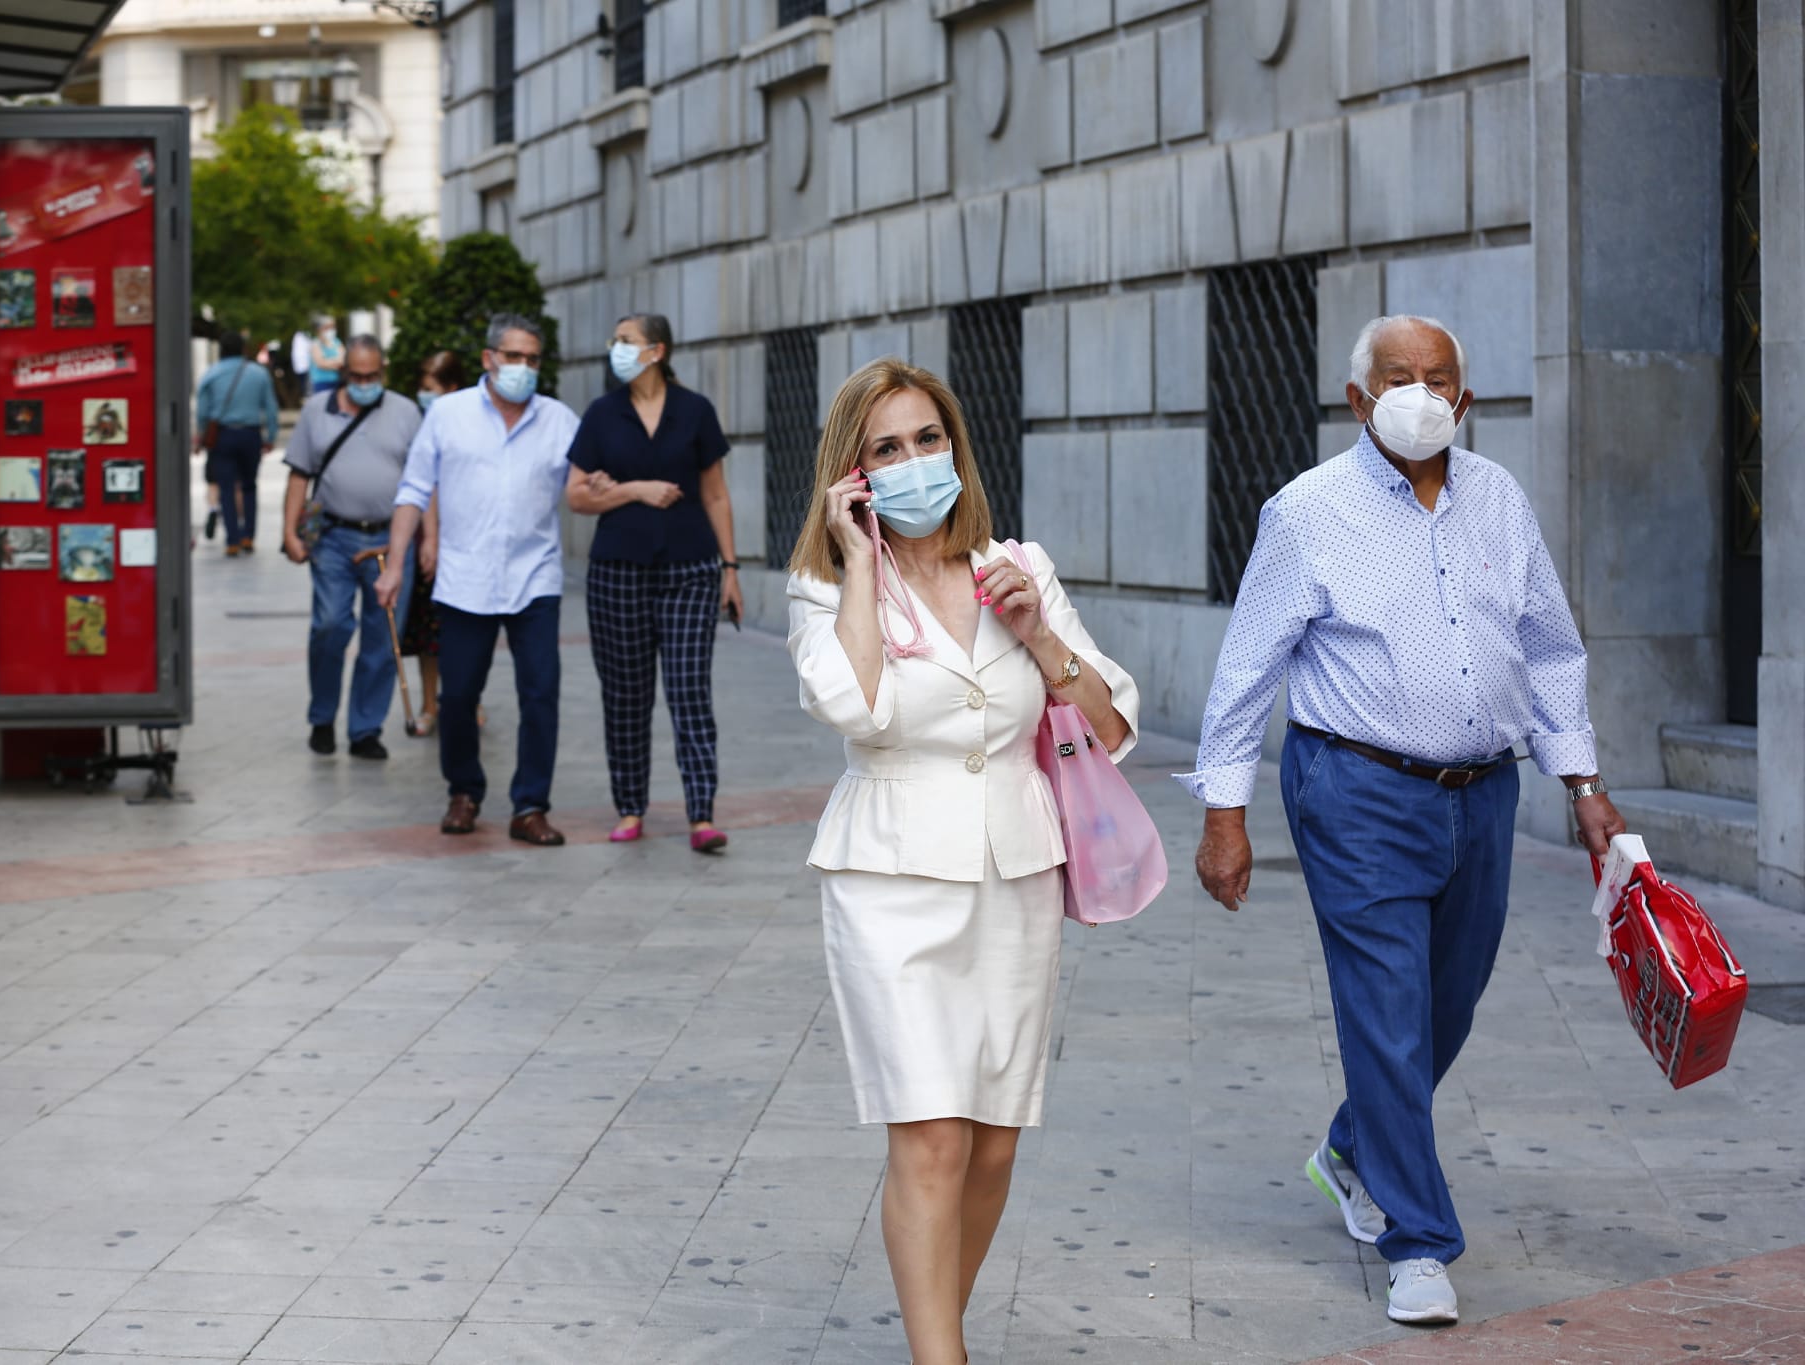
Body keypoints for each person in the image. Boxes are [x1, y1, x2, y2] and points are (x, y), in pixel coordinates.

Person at [1182, 314, 1627, 1328]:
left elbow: (1549, 648)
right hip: (1354, 791)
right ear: (1357, 398)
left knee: (1446, 1004)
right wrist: (1224, 815)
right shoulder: (1305, 513)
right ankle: (1417, 1241)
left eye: (1437, 379)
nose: (1419, 394)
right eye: (1398, 377)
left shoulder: (1498, 500)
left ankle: (1350, 1146)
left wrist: (1582, 780)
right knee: (1386, 1006)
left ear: (1462, 399)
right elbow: (1246, 668)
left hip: (1485, 793)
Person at [785, 358, 1140, 1365]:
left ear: (955, 447)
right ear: (851, 472)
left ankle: (935, 1335)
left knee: (990, 1142)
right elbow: (848, 708)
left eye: (925, 440)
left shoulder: (1014, 565)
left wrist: (1036, 635)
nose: (911, 463)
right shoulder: (824, 585)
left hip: (1016, 871)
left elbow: (1109, 729)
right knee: (931, 1138)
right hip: (889, 882)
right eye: (885, 449)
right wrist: (859, 563)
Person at [376, 314, 580, 847]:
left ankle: (531, 805)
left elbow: (582, 488)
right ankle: (463, 791)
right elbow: (413, 490)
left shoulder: (559, 420)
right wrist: (396, 564)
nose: (523, 368)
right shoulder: (447, 414)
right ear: (490, 359)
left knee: (541, 693)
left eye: (533, 359)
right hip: (463, 579)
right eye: (514, 357)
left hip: (535, 578)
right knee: (458, 694)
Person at [563, 314, 743, 852]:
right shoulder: (601, 414)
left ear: (656, 350)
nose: (614, 348)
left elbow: (715, 494)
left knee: (689, 691)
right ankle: (630, 805)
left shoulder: (695, 411)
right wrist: (632, 490)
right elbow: (575, 496)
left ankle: (700, 814)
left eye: (625, 341)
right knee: (625, 695)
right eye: (614, 338)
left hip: (691, 569)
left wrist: (730, 569)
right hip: (617, 572)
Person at [279, 334, 425, 760]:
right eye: (358, 376)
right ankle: (322, 717)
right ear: (344, 373)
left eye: (373, 375)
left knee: (383, 634)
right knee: (330, 625)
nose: (366, 383)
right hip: (333, 536)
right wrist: (290, 531)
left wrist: (429, 537)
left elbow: (422, 483)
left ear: (384, 371)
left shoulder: (405, 412)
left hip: (391, 538)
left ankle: (365, 728)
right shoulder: (315, 411)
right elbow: (298, 475)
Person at [401, 349, 470, 735]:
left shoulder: (469, 424)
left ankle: (467, 700)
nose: (424, 396)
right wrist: (429, 537)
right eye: (422, 389)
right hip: (429, 538)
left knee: (467, 630)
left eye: (431, 389)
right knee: (428, 630)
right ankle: (430, 704)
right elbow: (422, 486)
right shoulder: (418, 425)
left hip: (465, 538)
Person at [194, 331, 279, 557]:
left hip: (223, 436)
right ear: (243, 349)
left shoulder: (211, 374)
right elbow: (270, 408)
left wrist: (202, 435)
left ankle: (231, 539)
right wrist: (271, 436)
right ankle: (248, 536)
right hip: (251, 435)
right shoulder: (259, 374)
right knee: (250, 485)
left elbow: (202, 411)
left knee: (226, 488)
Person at [310, 317, 345, 395]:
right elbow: (321, 363)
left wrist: (328, 361)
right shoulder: (316, 344)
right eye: (328, 327)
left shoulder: (336, 342)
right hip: (321, 382)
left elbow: (344, 359)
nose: (331, 329)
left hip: (336, 381)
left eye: (333, 326)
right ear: (320, 329)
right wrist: (336, 362)